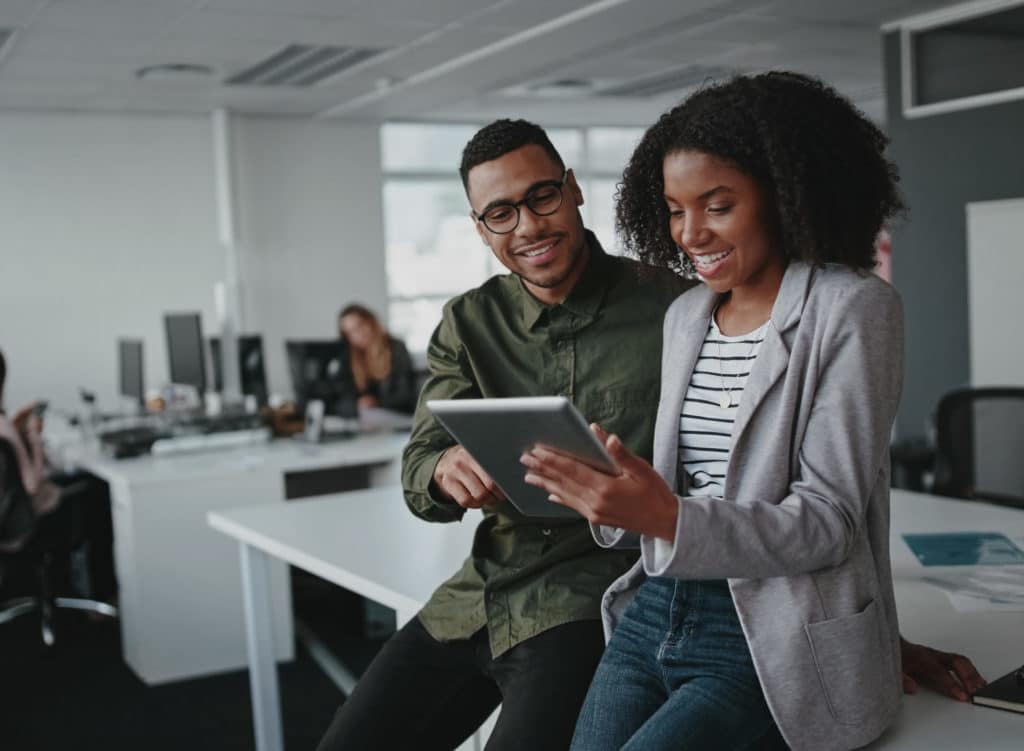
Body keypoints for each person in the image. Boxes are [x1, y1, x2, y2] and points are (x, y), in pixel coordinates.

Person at [315, 118, 983, 751]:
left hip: (596, 596)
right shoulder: (468, 322)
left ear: (573, 189)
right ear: (481, 227)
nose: (527, 225)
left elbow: (798, 488)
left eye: (541, 196)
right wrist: (442, 468)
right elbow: (420, 464)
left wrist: (862, 636)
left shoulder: (678, 304)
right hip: (485, 587)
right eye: (501, 213)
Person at [520, 72, 984, 751]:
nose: (690, 232)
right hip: (657, 604)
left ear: (782, 195)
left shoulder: (852, 308)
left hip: (767, 629)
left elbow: (827, 523)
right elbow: (690, 494)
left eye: (717, 205)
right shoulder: (686, 315)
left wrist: (666, 514)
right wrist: (616, 499)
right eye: (675, 209)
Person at [337, 303, 417, 414]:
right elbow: (342, 398)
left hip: (397, 417)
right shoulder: (348, 357)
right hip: (365, 422)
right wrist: (357, 405)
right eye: (350, 332)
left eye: (360, 326)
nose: (358, 335)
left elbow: (406, 395)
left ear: (371, 321)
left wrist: (378, 403)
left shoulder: (396, 348)